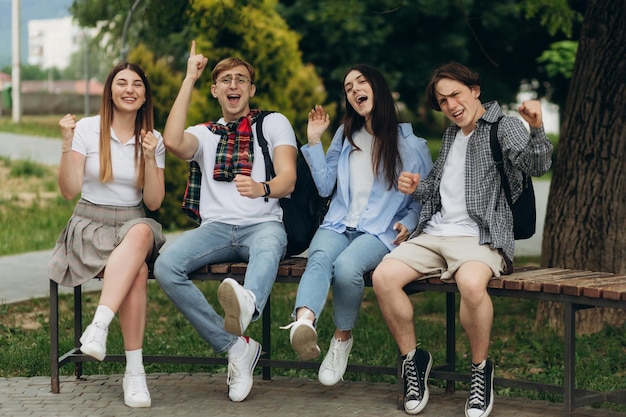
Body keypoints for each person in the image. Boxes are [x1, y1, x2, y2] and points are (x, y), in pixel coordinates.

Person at [371, 61, 553, 417]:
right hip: (436, 233)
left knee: (471, 285)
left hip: (480, 237)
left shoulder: (505, 127)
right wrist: (417, 187)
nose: (451, 105)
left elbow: (536, 165)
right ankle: (414, 361)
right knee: (383, 277)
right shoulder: (453, 134)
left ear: (475, 90)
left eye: (455, 94)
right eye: (442, 100)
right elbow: (440, 187)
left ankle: (480, 371)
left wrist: (537, 128)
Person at [154, 41, 297, 403]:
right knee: (167, 266)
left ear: (251, 89)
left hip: (263, 223)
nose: (234, 85)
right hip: (215, 230)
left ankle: (246, 301)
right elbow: (171, 141)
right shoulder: (205, 134)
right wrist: (189, 78)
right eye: (226, 80)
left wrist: (262, 188)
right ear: (216, 90)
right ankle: (235, 345)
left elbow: (288, 179)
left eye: (241, 80)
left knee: (268, 247)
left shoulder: (273, 123)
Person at [280, 64, 433, 386]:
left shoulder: (413, 145)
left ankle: (341, 339)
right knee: (319, 259)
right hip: (338, 223)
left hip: (381, 230)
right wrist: (312, 141)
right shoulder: (345, 135)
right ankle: (303, 322)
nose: (354, 91)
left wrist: (408, 222)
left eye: (360, 83)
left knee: (348, 267)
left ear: (377, 87)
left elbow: (425, 198)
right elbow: (324, 186)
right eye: (348, 88)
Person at [49, 63, 166, 408]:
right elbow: (69, 191)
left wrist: (148, 156)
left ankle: (99, 325)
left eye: (136, 85)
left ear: (145, 96)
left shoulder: (152, 139)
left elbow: (154, 202)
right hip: (90, 225)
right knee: (139, 271)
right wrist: (67, 144)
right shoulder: (87, 129)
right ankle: (134, 372)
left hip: (131, 226)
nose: (129, 89)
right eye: (121, 83)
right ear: (110, 91)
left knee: (143, 228)